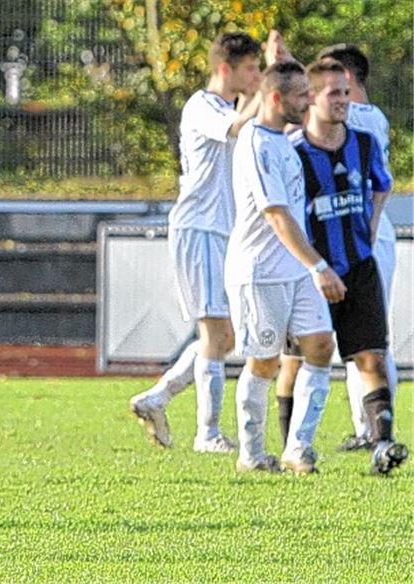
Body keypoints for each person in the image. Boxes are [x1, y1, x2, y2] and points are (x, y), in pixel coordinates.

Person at [128, 31, 269, 452]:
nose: (257, 76)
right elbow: (237, 127)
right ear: (226, 69)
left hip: (226, 231)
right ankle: (208, 433)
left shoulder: (232, 107)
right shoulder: (202, 106)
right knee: (213, 331)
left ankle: (158, 397)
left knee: (227, 337)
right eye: (251, 68)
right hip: (201, 229)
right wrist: (266, 89)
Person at [279, 59, 405, 474]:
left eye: (346, 92)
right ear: (311, 98)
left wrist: (370, 225)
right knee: (297, 361)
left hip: (359, 267)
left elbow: (382, 185)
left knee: (372, 358)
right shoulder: (293, 152)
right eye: (334, 93)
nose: (344, 101)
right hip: (311, 274)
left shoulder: (364, 143)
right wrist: (312, 263)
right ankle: (293, 447)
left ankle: (381, 445)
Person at [226, 60, 343, 474]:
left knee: (321, 346)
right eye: (301, 96)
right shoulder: (255, 143)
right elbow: (276, 215)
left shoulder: (283, 139)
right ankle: (252, 455)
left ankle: (298, 447)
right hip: (260, 272)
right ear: (276, 98)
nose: (309, 101)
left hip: (295, 269)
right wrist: (319, 266)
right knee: (264, 362)